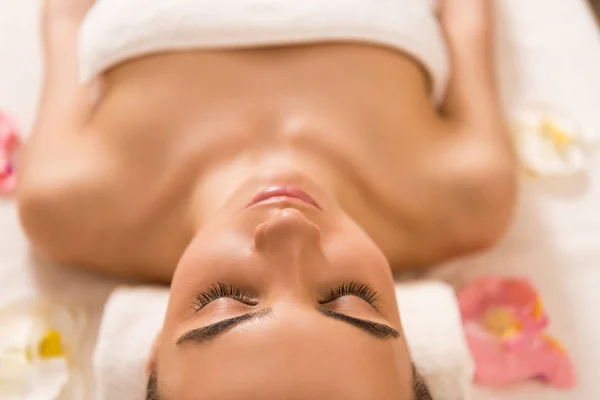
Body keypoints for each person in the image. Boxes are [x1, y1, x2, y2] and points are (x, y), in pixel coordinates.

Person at [17, 0, 517, 398]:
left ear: (153, 353)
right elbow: (466, 14)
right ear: (413, 347)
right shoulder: (469, 194)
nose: (288, 228)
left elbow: (65, 15)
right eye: (351, 298)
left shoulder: (66, 202)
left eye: (223, 300)